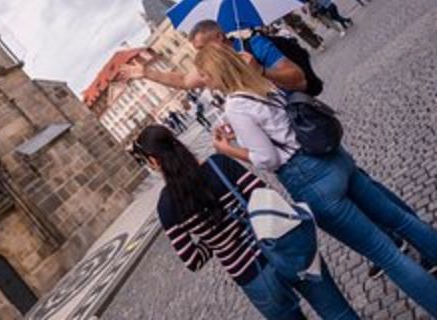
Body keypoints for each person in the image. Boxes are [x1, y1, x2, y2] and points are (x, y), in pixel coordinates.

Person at [194, 44, 437, 316]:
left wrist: (229, 150)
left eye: (203, 74)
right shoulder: (259, 83)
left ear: (215, 71)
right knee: (401, 220)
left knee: (386, 255)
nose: (204, 81)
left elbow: (268, 159)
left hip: (308, 178)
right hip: (331, 158)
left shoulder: (236, 107)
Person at [133, 125, 358, 320]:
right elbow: (264, 195)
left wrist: (214, 239)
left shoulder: (167, 207)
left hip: (253, 277)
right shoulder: (219, 165)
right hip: (285, 247)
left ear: (153, 161)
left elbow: (193, 260)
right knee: (337, 313)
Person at [119, 20, 308, 94]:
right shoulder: (214, 66)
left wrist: (261, 71)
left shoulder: (255, 45)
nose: (201, 54)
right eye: (197, 50)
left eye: (202, 47)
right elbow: (185, 80)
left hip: (303, 121)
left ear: (219, 37)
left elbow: (299, 79)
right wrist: (146, 72)